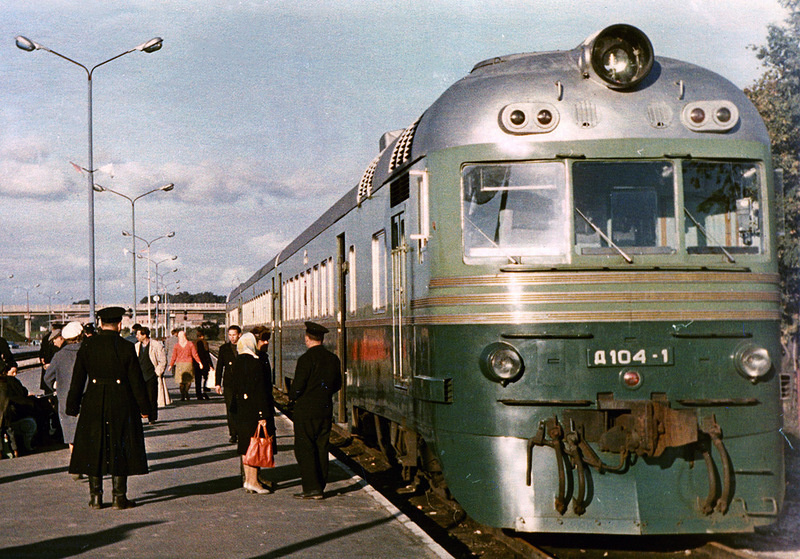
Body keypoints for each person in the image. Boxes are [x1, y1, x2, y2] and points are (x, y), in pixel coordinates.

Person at [66, 306, 151, 510]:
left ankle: (95, 497)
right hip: (121, 402)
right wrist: (145, 408)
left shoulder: (87, 346)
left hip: (93, 402)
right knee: (120, 446)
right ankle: (119, 497)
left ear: (100, 324)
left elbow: (78, 379)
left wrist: (73, 406)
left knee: (93, 447)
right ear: (120, 325)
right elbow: (136, 382)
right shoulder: (126, 347)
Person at [290, 321, 341, 500]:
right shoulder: (333, 358)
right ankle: (320, 485)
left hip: (306, 410)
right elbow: (337, 384)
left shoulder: (305, 359)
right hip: (325, 408)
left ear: (307, 339)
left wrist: (294, 396)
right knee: (321, 447)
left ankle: (311, 488)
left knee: (305, 448)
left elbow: (297, 387)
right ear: (322, 339)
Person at [228, 332, 276, 495]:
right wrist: (262, 415)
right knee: (256, 444)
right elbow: (259, 391)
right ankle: (254, 481)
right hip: (254, 410)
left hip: (241, 410)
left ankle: (248, 480)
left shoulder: (238, 361)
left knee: (245, 446)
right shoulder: (255, 363)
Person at [43, 321, 84, 458]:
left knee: (70, 430)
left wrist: (57, 387)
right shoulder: (88, 351)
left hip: (65, 397)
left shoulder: (59, 356)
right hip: (88, 397)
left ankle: (74, 459)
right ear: (81, 335)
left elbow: (48, 378)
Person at [0, 365, 37, 456]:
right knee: (10, 432)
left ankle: (6, 451)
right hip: (7, 416)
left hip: (4, 416)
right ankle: (14, 450)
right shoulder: (6, 384)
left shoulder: (6, 384)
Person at [134, 327, 167, 423]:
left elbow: (163, 360)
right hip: (140, 376)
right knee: (141, 396)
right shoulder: (136, 346)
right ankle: (144, 413)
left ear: (144, 335)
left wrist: (157, 372)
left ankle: (152, 417)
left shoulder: (156, 345)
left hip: (151, 375)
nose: (136, 336)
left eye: (138, 334)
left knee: (152, 397)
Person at [215, 325, 241, 443]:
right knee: (230, 408)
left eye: (234, 335)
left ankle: (241, 431)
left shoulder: (244, 347)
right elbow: (219, 366)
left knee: (241, 407)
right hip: (229, 383)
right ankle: (233, 433)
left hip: (242, 383)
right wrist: (217, 383)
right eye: (230, 335)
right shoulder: (224, 348)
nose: (232, 337)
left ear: (239, 335)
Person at [168, 330, 203, 401]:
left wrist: (171, 365)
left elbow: (174, 356)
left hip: (179, 364)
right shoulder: (190, 344)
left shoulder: (177, 346)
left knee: (181, 381)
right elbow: (194, 354)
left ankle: (183, 395)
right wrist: (199, 362)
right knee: (188, 381)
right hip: (188, 364)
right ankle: (186, 392)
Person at [194, 331, 212, 400]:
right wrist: (211, 365)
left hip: (196, 363)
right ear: (202, 336)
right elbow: (207, 355)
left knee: (197, 380)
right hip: (204, 363)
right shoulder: (205, 343)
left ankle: (198, 394)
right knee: (206, 378)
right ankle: (205, 391)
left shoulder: (193, 343)